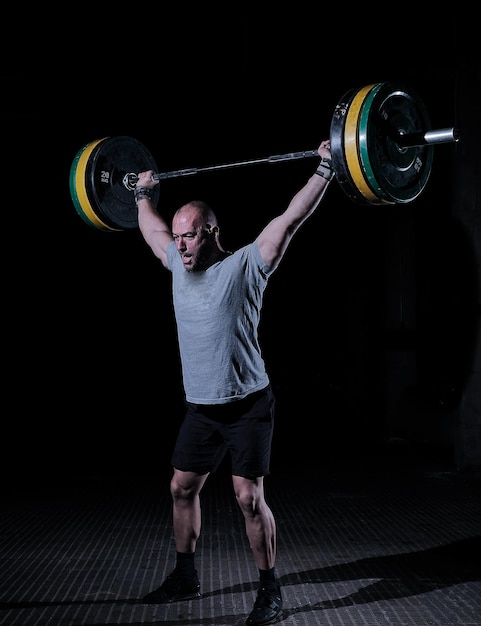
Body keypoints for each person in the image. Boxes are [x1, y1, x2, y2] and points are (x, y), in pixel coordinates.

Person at [135, 139, 334, 626]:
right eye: (178, 237)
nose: (179, 245)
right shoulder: (177, 268)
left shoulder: (246, 264)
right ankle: (186, 576)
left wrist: (326, 168)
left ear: (212, 232)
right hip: (202, 407)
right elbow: (152, 229)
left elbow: (290, 219)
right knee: (181, 488)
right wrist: (141, 195)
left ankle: (270, 589)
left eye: (190, 237)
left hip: (247, 404)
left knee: (248, 498)